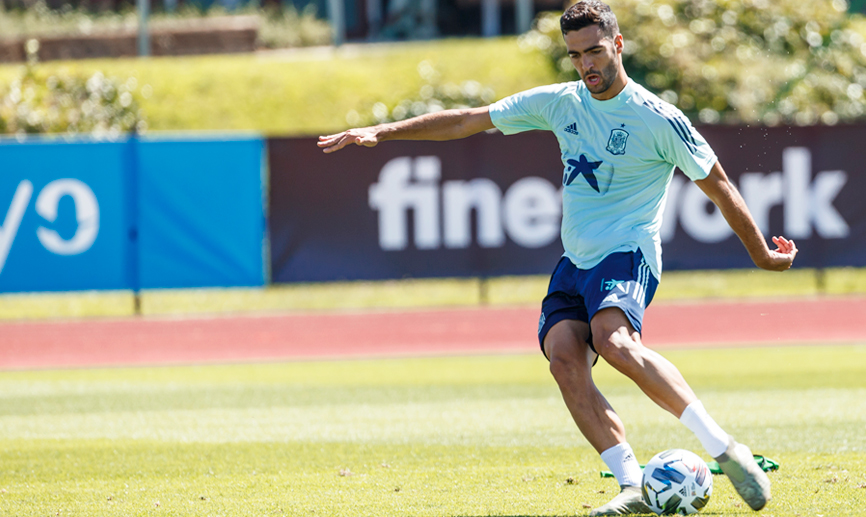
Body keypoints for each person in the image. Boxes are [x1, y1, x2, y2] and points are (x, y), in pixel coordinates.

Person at [318, 1, 797, 514]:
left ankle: (726, 448)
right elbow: (467, 121)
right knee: (565, 359)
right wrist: (382, 132)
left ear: (617, 45)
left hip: (627, 253)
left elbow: (719, 185)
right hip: (575, 262)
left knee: (615, 344)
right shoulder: (561, 102)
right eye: (575, 55)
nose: (586, 64)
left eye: (594, 51)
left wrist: (762, 255)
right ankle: (632, 485)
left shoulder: (658, 119)